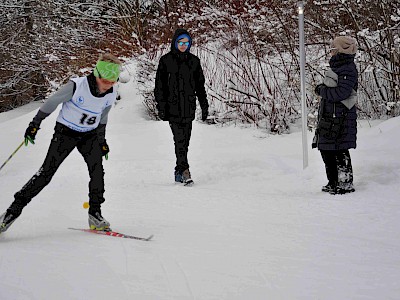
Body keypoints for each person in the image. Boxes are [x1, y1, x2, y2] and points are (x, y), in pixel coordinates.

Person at [0, 53, 121, 233]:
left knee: (97, 173)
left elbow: (102, 117)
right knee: (45, 173)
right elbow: (52, 102)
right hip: (66, 133)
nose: (108, 85)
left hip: (90, 136)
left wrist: (102, 141)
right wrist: (35, 123)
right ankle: (11, 213)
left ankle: (95, 214)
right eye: (105, 81)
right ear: (97, 74)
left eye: (113, 81)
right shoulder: (77, 86)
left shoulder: (111, 93)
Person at [154, 28, 209, 185]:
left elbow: (200, 86)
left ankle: (178, 171)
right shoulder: (166, 61)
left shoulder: (194, 61)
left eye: (186, 42)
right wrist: (162, 107)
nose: (184, 45)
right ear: (175, 43)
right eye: (181, 42)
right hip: (173, 110)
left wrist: (204, 106)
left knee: (185, 142)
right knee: (179, 141)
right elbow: (159, 87)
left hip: (188, 108)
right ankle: (185, 171)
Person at [313, 36, 358, 195]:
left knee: (339, 149)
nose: (330, 51)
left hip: (341, 117)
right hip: (331, 116)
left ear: (340, 50)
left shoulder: (347, 68)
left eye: (333, 48)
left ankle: (344, 183)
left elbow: (342, 92)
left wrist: (321, 90)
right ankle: (333, 182)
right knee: (327, 148)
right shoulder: (339, 67)